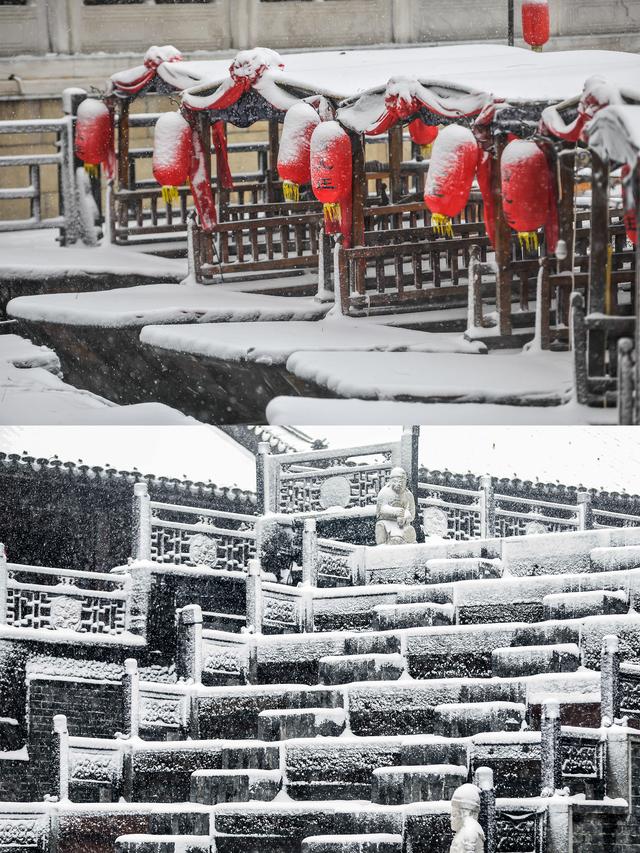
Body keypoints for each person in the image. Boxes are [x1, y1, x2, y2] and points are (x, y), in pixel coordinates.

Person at [375, 467, 416, 545]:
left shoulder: (408, 495)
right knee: (382, 528)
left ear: (405, 482)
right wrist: (395, 512)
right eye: (395, 481)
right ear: (390, 481)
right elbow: (380, 510)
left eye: (401, 482)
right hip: (387, 522)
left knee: (410, 532)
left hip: (402, 524)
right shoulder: (384, 492)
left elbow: (412, 513)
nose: (399, 484)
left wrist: (405, 518)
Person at [450, 784, 485, 853]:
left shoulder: (469, 833)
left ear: (465, 814)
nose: (450, 818)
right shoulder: (463, 832)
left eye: (454, 815)